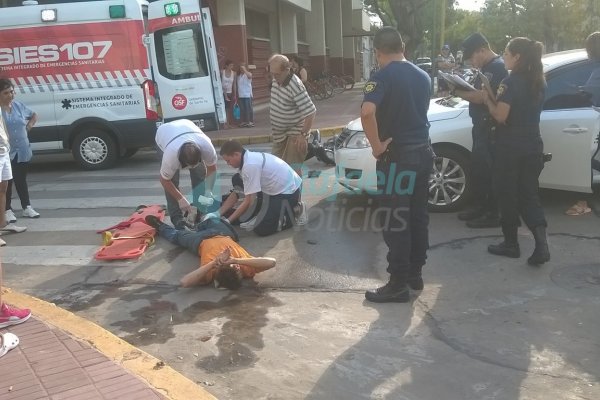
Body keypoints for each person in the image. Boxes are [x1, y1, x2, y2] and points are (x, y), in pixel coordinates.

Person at [361, 27, 434, 303]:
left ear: (378, 52)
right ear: (402, 47)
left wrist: (377, 146)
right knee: (418, 216)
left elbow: (367, 112)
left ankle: (398, 283)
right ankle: (415, 273)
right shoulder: (423, 76)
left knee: (396, 219)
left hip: (397, 158)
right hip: (424, 153)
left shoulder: (381, 77)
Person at [483, 37, 550, 266]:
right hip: (533, 144)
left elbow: (501, 116)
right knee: (529, 195)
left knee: (507, 195)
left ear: (517, 57)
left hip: (509, 147)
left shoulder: (510, 82)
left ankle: (511, 244)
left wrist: (487, 100)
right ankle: (542, 245)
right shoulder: (538, 81)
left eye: (506, 53)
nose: (503, 57)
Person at [453, 33, 507, 228]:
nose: (471, 62)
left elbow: (481, 98)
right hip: (481, 127)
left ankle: (493, 214)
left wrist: (455, 90)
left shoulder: (497, 68)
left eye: (472, 57)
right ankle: (483, 207)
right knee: (481, 171)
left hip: (490, 128)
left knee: (490, 172)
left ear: (482, 50)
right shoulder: (486, 67)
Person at [144, 215, 275, 290]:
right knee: (213, 219)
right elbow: (272, 262)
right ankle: (197, 224)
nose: (229, 260)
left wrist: (214, 262)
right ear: (237, 268)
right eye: (234, 265)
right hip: (224, 234)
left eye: (227, 264)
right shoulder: (246, 268)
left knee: (177, 236)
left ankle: (160, 226)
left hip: (200, 241)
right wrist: (236, 260)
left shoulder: (211, 272)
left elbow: (184, 282)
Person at [217, 140, 304, 236]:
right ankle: (263, 210)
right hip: (274, 189)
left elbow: (249, 200)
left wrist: (228, 221)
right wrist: (217, 214)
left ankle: (292, 215)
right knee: (237, 180)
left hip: (288, 193)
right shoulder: (247, 158)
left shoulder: (250, 165)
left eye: (228, 161)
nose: (228, 164)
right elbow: (236, 192)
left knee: (261, 228)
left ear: (236, 154)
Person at [155, 119, 218, 230]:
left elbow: (212, 169)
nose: (192, 167)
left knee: (199, 175)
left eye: (195, 163)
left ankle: (199, 210)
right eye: (189, 165)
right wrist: (180, 199)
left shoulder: (206, 146)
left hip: (187, 127)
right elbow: (164, 180)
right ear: (181, 160)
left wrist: (208, 191)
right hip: (164, 135)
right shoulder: (171, 155)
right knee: (172, 181)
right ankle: (177, 218)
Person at [565, 31, 600, 216]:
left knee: (589, 160)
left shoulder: (597, 70)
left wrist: (578, 90)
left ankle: (583, 201)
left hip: (595, 119)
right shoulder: (594, 69)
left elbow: (589, 93)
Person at [268, 54, 316, 176]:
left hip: (295, 131)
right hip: (279, 133)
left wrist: (303, 135)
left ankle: (294, 194)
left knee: (292, 170)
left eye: (277, 74)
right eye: (272, 73)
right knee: (274, 166)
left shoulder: (295, 85)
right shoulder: (276, 79)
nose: (274, 77)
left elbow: (311, 112)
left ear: (287, 70)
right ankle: (282, 194)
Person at [0, 79, 40, 223]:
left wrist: (28, 127)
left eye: (12, 91)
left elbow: (34, 115)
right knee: (7, 182)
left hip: (22, 149)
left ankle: (27, 207)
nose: (11, 95)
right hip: (6, 151)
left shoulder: (18, 106)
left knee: (21, 179)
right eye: (6, 93)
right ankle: (7, 210)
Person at [0, 90, 27, 247]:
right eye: (6, 93)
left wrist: (7, 142)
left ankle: (3, 224)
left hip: (3, 151)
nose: (10, 95)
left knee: (3, 188)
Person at [236, 63, 254, 127]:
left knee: (248, 108)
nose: (241, 70)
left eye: (243, 68)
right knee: (242, 109)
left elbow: (250, 76)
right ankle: (244, 122)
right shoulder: (238, 76)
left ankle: (250, 122)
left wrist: (245, 70)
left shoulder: (248, 74)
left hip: (247, 94)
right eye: (240, 68)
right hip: (241, 95)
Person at [221, 60, 236, 129]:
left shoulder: (234, 73)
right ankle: (224, 124)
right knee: (223, 108)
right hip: (222, 93)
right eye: (230, 65)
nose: (231, 67)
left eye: (232, 65)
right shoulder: (222, 72)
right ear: (226, 66)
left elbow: (234, 84)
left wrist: (235, 94)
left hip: (229, 93)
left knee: (228, 109)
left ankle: (228, 123)